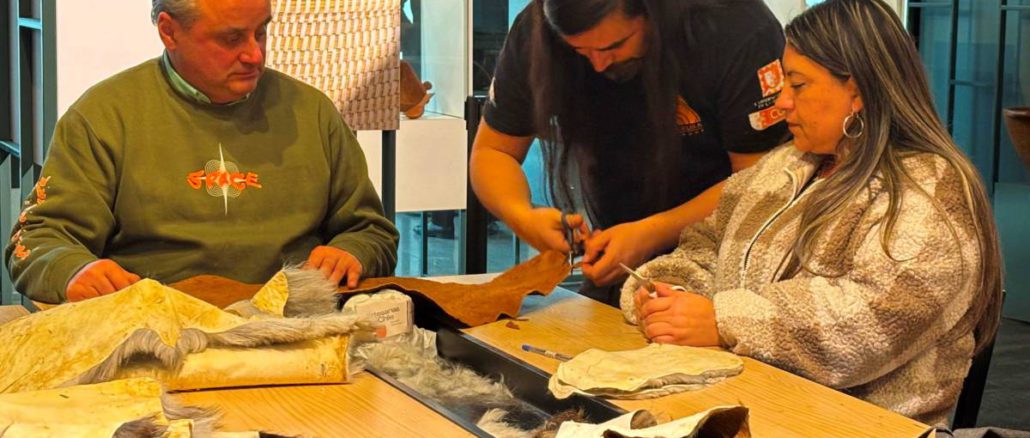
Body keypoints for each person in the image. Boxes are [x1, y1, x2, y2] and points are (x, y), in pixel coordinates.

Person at [621, 0, 1002, 425]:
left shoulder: (929, 189)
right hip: (753, 407)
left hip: (860, 426)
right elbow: (704, 245)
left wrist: (722, 320)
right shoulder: (782, 166)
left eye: (798, 84)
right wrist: (667, 295)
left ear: (857, 92)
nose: (781, 101)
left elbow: (872, 323)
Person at [4, 0, 399, 304]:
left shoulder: (312, 112)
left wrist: (352, 251)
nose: (255, 55)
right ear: (169, 31)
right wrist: (73, 270)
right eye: (231, 39)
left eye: (261, 32)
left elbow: (371, 231)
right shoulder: (104, 116)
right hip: (154, 334)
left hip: (298, 328)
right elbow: (37, 239)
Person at [469, 0, 789, 305]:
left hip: (729, 266)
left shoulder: (736, 29)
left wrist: (652, 233)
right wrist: (523, 217)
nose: (598, 64)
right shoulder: (540, 28)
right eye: (579, 51)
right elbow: (493, 152)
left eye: (614, 46)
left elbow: (760, 179)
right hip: (619, 264)